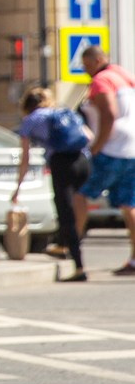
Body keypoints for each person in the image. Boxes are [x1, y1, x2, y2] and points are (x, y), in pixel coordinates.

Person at [14, 86, 91, 282]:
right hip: (82, 161)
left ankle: (79, 266)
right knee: (78, 207)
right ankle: (65, 246)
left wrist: (18, 187)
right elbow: (89, 137)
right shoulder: (64, 112)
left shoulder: (30, 120)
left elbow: (25, 159)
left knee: (65, 213)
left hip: (62, 164)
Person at [76, 46, 135, 276]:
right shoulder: (125, 75)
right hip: (131, 149)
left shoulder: (102, 80)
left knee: (80, 194)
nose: (86, 70)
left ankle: (71, 244)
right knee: (129, 205)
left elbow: (109, 114)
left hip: (111, 149)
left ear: (98, 60)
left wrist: (97, 147)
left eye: (87, 65)